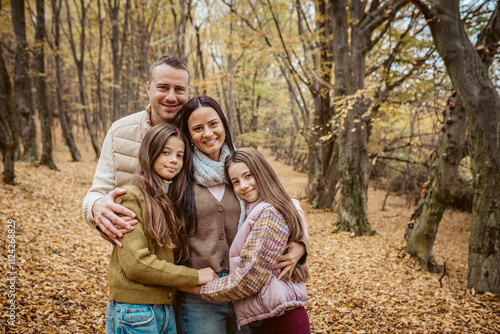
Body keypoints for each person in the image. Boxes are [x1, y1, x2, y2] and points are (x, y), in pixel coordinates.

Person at [173, 96, 310, 334]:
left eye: (213, 124)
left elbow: (285, 205)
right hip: (201, 298)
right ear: (188, 135)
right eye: (197, 128)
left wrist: (301, 243)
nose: (207, 133)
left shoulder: (241, 166)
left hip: (248, 292)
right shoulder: (180, 175)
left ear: (224, 124)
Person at [105, 123, 218, 333]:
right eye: (165, 152)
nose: (174, 159)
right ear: (150, 153)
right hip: (134, 313)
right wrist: (194, 276)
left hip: (164, 311)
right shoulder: (130, 197)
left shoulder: (167, 200)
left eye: (179, 155)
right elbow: (137, 264)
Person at [82, 55, 191, 246]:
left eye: (179, 89)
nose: (171, 97)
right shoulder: (120, 131)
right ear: (148, 88)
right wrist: (95, 206)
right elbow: (95, 193)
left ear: (188, 92)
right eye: (163, 87)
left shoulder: (199, 132)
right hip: (136, 258)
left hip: (193, 260)